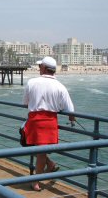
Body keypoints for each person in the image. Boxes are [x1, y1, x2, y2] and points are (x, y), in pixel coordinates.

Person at [23, 56, 75, 191]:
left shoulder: (32, 82)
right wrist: (71, 118)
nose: (38, 68)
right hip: (50, 122)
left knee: (37, 150)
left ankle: (36, 182)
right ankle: (50, 164)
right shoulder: (60, 86)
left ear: (44, 68)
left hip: (34, 120)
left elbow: (25, 103)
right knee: (37, 149)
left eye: (40, 66)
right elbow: (70, 109)